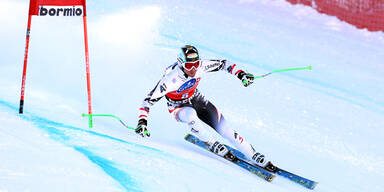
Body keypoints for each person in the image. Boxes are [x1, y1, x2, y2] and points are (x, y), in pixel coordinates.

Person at [135, 45, 274, 170]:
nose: (194, 69)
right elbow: (148, 101)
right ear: (181, 64)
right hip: (178, 107)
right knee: (190, 116)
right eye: (189, 66)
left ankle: (252, 154)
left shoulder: (201, 66)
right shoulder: (170, 79)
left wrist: (241, 74)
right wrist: (142, 122)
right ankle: (211, 142)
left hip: (197, 99)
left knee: (225, 129)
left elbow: (225, 64)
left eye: (196, 64)